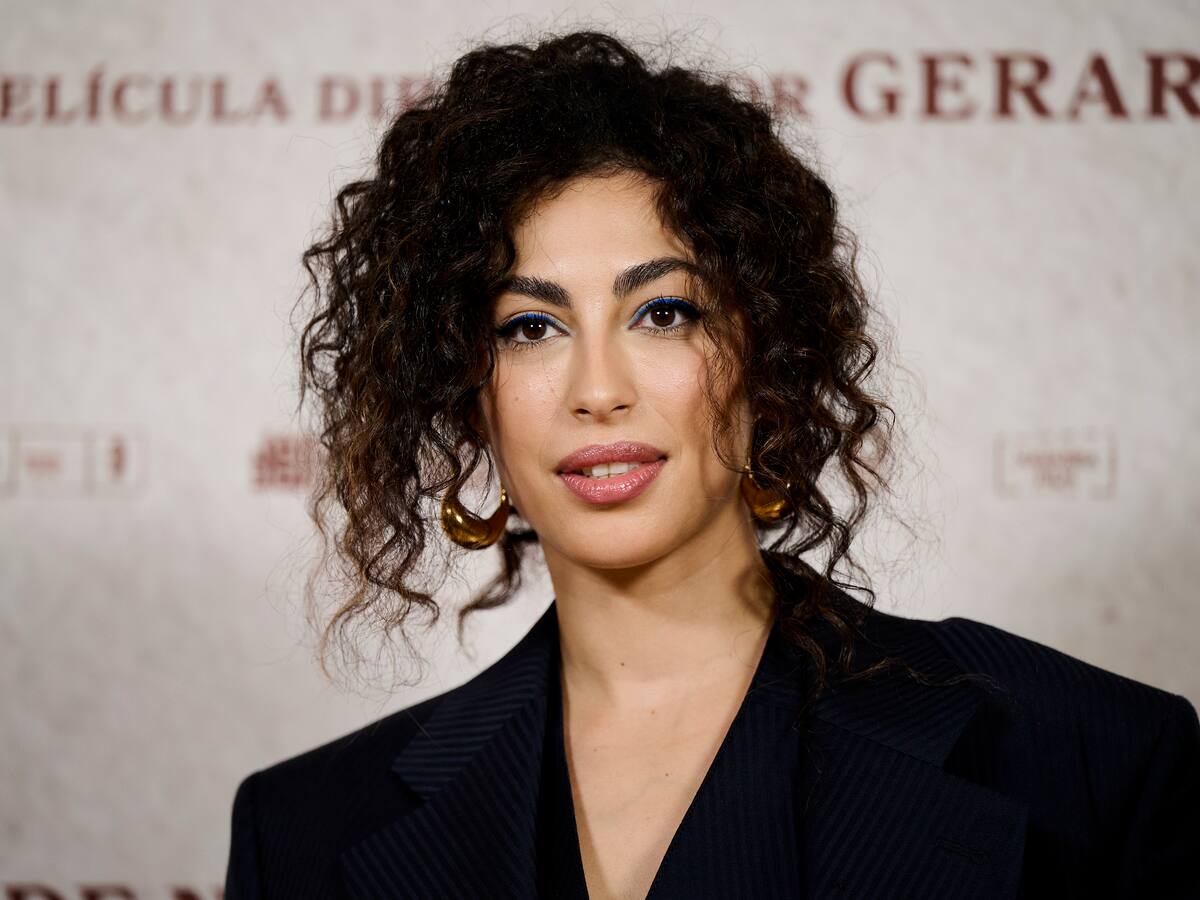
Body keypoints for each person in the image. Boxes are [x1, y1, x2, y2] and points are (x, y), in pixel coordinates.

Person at [223, 27, 1200, 900]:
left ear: (764, 358)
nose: (596, 389)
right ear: (466, 397)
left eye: (663, 312)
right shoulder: (306, 830)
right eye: (529, 327)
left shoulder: (1085, 758)